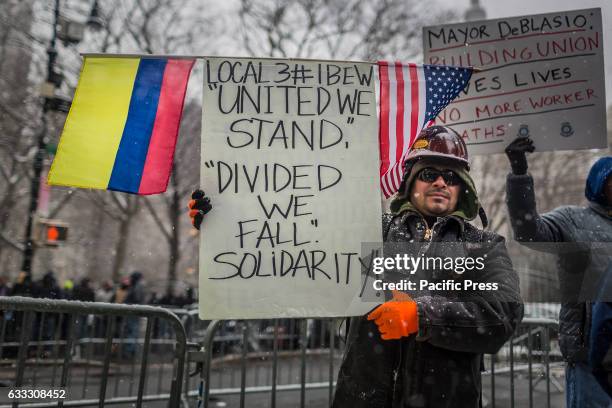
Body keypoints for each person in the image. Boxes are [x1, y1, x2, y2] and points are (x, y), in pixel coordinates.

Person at [189, 125, 523, 407]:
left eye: (450, 176)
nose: (440, 182)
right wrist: (225, 225)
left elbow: (504, 313)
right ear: (411, 183)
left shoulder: (483, 246)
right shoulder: (369, 230)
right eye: (429, 174)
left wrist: (423, 315)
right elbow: (293, 245)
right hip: (363, 396)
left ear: (462, 186)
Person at [505, 138, 612, 407]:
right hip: (589, 356)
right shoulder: (573, 220)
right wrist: (519, 174)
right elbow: (529, 232)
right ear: (599, 183)